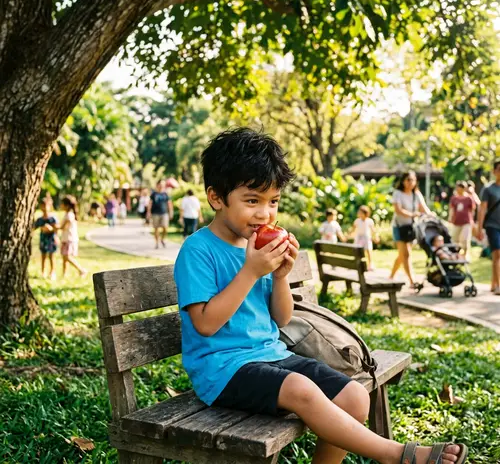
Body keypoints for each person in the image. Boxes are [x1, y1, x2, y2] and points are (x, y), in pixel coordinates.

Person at [173, 128, 466, 464]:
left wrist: (280, 276)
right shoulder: (198, 250)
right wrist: (251, 272)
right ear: (216, 197)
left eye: (273, 201)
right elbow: (206, 324)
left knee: (355, 396)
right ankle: (395, 454)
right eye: (252, 201)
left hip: (271, 354)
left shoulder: (257, 248)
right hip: (222, 370)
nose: (265, 214)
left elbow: (281, 318)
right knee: (300, 389)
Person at [389, 171, 432, 289]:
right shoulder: (398, 193)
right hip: (399, 227)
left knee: (403, 255)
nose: (410, 183)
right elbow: (398, 210)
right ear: (403, 181)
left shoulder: (416, 194)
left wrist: (430, 215)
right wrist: (412, 214)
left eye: (412, 180)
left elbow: (424, 208)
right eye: (408, 180)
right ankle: (412, 281)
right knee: (406, 254)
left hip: (411, 227)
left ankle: (391, 275)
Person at [477, 160, 500, 295]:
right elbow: (482, 210)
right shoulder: (488, 189)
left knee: (497, 256)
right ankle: (498, 286)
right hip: (492, 226)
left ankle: (493, 283)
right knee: (497, 254)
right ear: (494, 171)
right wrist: (479, 228)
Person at [59, 195, 87, 278]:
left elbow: (62, 227)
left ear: (66, 205)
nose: (61, 205)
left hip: (69, 239)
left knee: (67, 257)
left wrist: (52, 227)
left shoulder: (69, 215)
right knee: (64, 258)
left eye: (62, 204)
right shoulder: (68, 214)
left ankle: (81, 269)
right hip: (66, 238)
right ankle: (64, 274)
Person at [449, 180, 475, 260]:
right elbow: (451, 209)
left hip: (466, 222)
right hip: (456, 222)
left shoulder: (469, 198)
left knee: (465, 239)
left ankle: (465, 255)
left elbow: (472, 210)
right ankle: (456, 255)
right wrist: (450, 218)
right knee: (455, 239)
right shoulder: (454, 198)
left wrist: (472, 220)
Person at [34, 199, 58, 280]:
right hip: (43, 239)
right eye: (42, 206)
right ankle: (43, 271)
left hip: (51, 239)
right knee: (43, 256)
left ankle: (52, 272)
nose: (44, 208)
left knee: (51, 256)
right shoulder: (40, 219)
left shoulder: (52, 218)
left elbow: (56, 228)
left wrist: (50, 229)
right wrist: (42, 228)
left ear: (50, 206)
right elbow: (34, 227)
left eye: (46, 206)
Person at [147, 179, 174, 249]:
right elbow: (150, 203)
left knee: (165, 227)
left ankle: (162, 239)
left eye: (163, 184)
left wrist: (171, 212)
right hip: (155, 213)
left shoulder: (166, 194)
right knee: (156, 228)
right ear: (157, 185)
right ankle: (156, 243)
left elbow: (169, 203)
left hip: (164, 213)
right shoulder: (153, 194)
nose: (162, 186)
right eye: (161, 184)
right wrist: (148, 212)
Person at [351, 205, 376, 271]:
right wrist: (349, 235)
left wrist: (375, 236)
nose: (360, 214)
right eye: (359, 212)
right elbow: (353, 229)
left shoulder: (369, 221)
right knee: (357, 251)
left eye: (361, 213)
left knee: (368, 251)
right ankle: (357, 264)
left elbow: (373, 230)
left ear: (366, 213)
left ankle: (370, 264)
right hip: (359, 238)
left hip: (366, 237)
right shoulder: (357, 221)